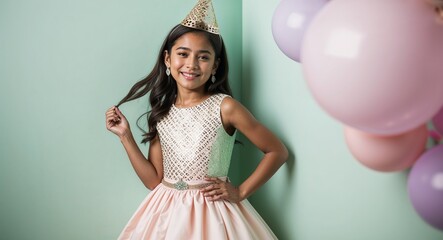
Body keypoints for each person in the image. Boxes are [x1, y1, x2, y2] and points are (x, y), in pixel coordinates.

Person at [105, 0, 288, 239]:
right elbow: (153, 181)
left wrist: (241, 191)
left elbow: (277, 151)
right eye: (183, 54)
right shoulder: (161, 111)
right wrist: (125, 136)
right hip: (166, 213)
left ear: (215, 65)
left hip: (213, 213)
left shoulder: (226, 107)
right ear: (168, 59)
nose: (191, 64)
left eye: (203, 57)